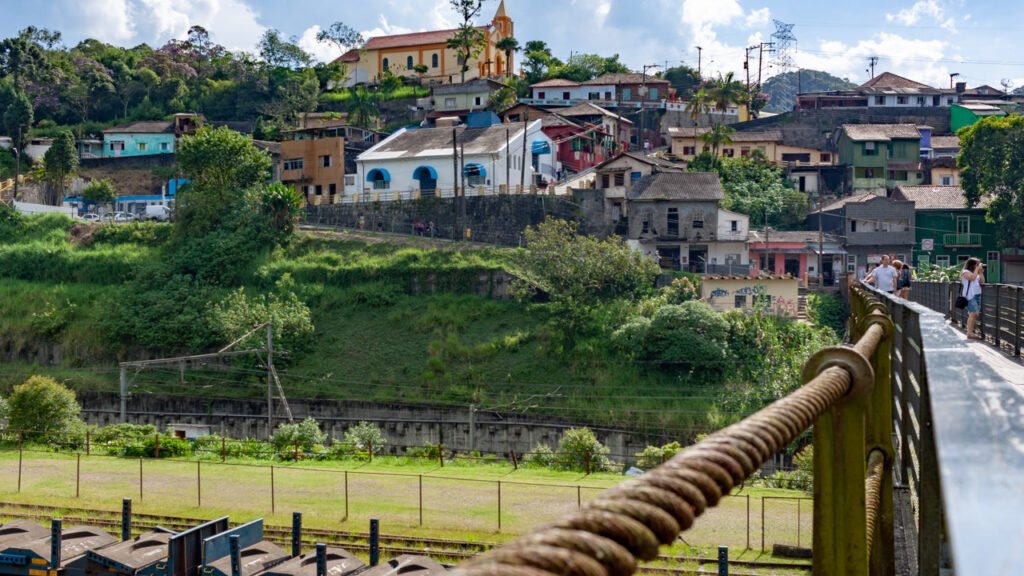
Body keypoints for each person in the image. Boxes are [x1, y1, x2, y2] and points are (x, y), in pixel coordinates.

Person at [961, 257, 985, 339]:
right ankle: (970, 333)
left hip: (977, 294)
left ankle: (970, 331)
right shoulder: (965, 272)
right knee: (973, 313)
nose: (979, 265)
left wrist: (981, 272)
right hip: (970, 296)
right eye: (977, 264)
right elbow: (972, 278)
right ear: (972, 264)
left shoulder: (976, 273)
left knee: (975, 314)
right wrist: (977, 270)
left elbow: (982, 282)